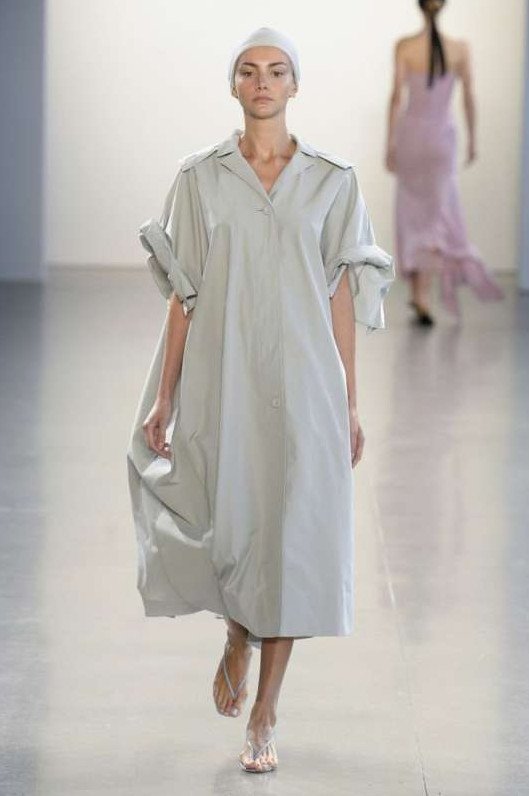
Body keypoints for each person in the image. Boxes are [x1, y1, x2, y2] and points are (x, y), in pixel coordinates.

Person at [127, 26, 394, 773]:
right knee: (233, 526)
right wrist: (165, 398)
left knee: (298, 541)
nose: (263, 82)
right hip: (226, 376)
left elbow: (340, 294)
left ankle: (266, 712)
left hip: (306, 384)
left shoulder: (333, 180)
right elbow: (184, 293)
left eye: (277, 70)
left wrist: (347, 402)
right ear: (234, 85)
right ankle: (237, 632)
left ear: (295, 85)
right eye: (249, 71)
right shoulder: (199, 178)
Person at [385, 0, 504, 326]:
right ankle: (423, 293)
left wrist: (390, 144)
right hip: (442, 138)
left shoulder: (405, 47)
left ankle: (420, 294)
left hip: (412, 136)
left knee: (412, 215)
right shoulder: (460, 49)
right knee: (436, 216)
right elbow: (469, 96)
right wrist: (474, 139)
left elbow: (396, 97)